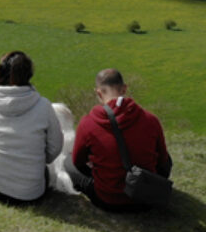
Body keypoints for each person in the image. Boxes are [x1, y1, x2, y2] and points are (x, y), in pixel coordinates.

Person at [65, 68, 172, 211]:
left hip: (108, 200)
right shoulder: (151, 120)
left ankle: (104, 183)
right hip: (146, 197)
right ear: (124, 89)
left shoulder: (87, 123)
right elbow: (163, 161)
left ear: (98, 93)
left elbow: (78, 162)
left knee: (68, 162)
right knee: (167, 158)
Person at [0, 51, 64, 205]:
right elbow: (55, 148)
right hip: (31, 193)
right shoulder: (44, 106)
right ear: (29, 75)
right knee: (44, 173)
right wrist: (36, 159)